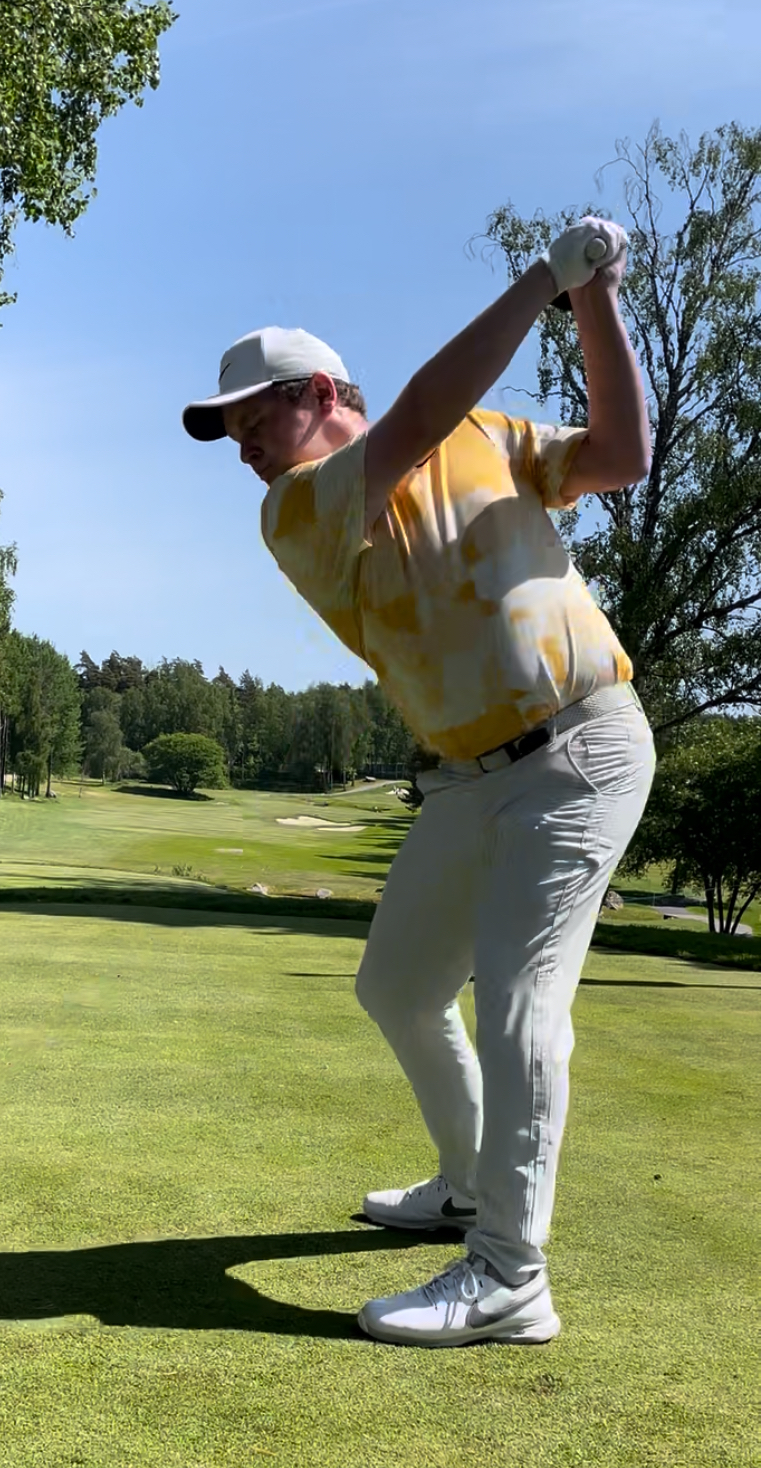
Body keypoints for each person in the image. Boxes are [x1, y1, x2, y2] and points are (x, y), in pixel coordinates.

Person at [180, 218, 656, 1347]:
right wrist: (546, 276)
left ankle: (507, 1273)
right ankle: (467, 1181)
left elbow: (623, 455)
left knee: (520, 999)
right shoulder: (296, 509)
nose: (245, 442)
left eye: (260, 415)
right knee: (397, 984)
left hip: (581, 745)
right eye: (232, 429)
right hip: (462, 780)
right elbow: (414, 418)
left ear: (324, 388)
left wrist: (596, 298)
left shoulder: (489, 433)